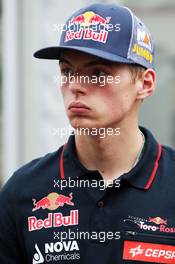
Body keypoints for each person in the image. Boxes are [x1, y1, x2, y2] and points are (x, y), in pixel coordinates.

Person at [1, 3, 175, 264]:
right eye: (67, 71)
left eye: (98, 73)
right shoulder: (23, 192)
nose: (76, 86)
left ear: (145, 84)